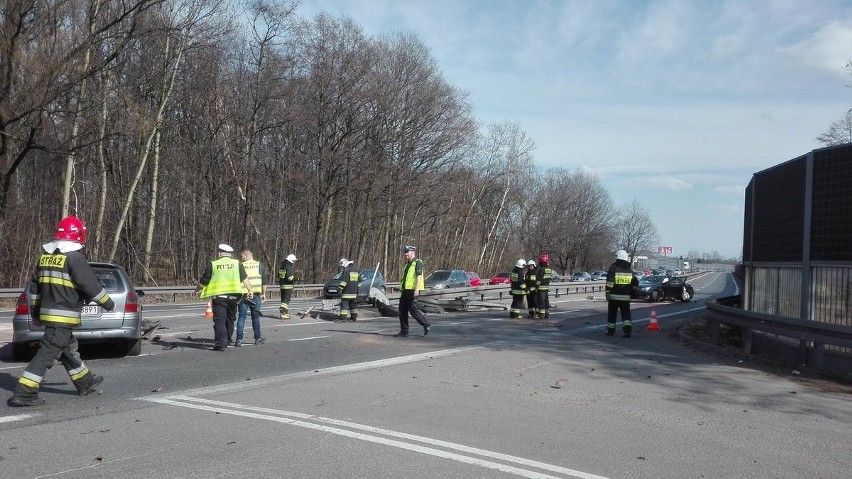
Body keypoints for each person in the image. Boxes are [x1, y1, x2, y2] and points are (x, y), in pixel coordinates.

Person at [8, 216, 116, 407]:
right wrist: (109, 304)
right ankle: (24, 392)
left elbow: (35, 288)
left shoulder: (46, 257)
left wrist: (35, 314)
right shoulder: (74, 258)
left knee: (66, 350)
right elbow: (90, 285)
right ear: (79, 236)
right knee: (47, 354)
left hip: (49, 314)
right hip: (63, 316)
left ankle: (85, 382)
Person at [195, 244, 253, 351]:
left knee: (220, 321)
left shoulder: (213, 264)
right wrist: (250, 290)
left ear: (219, 253)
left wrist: (198, 289)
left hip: (220, 297)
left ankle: (221, 344)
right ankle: (228, 339)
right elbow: (245, 278)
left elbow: (204, 280)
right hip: (234, 297)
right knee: (230, 319)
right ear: (230, 254)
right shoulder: (237, 264)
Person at [396, 245, 431, 337]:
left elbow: (419, 276)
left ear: (413, 252)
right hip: (405, 290)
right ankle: (404, 332)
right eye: (405, 252)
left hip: (413, 290)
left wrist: (417, 289)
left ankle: (426, 324)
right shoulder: (407, 264)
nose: (406, 254)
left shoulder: (417, 262)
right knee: (402, 311)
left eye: (407, 252)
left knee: (413, 310)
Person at [605, 249, 639, 338]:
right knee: (626, 315)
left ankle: (611, 331)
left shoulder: (613, 267)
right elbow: (635, 282)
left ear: (617, 258)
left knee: (612, 314)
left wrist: (607, 292)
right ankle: (627, 332)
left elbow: (610, 282)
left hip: (614, 297)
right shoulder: (629, 269)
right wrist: (633, 291)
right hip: (626, 298)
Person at [236, 249, 265, 346]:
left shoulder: (240, 265)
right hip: (255, 295)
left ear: (247, 255)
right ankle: (257, 338)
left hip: (243, 295)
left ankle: (238, 340)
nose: (241, 258)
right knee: (255, 317)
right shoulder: (259, 265)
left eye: (242, 256)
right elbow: (264, 282)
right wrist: (263, 293)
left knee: (241, 317)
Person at [277, 254, 297, 319]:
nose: (293, 262)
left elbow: (279, 276)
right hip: (288, 286)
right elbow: (290, 278)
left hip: (282, 286)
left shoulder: (282, 266)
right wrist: (297, 278)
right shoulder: (289, 267)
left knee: (283, 300)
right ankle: (283, 312)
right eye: (293, 261)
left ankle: (285, 312)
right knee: (286, 300)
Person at [536, 253, 553, 318]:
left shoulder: (541, 269)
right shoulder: (549, 269)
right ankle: (547, 314)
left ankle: (541, 315)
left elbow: (539, 280)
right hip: (546, 287)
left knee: (541, 301)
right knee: (546, 301)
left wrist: (535, 286)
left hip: (541, 288)